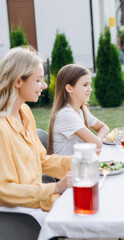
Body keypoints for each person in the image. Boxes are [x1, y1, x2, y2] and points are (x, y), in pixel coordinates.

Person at [0, 46, 72, 226]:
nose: (45, 85)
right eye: (38, 80)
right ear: (18, 81)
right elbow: (4, 190)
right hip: (22, 218)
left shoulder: (24, 112)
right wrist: (55, 187)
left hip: (43, 203)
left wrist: (79, 161)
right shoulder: (1, 128)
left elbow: (41, 160)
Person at [47, 64, 109, 155]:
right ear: (69, 88)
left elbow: (104, 128)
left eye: (90, 84)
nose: (90, 89)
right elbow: (97, 145)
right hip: (66, 168)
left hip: (78, 164)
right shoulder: (66, 114)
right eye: (85, 85)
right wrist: (96, 142)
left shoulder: (81, 110)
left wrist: (97, 140)